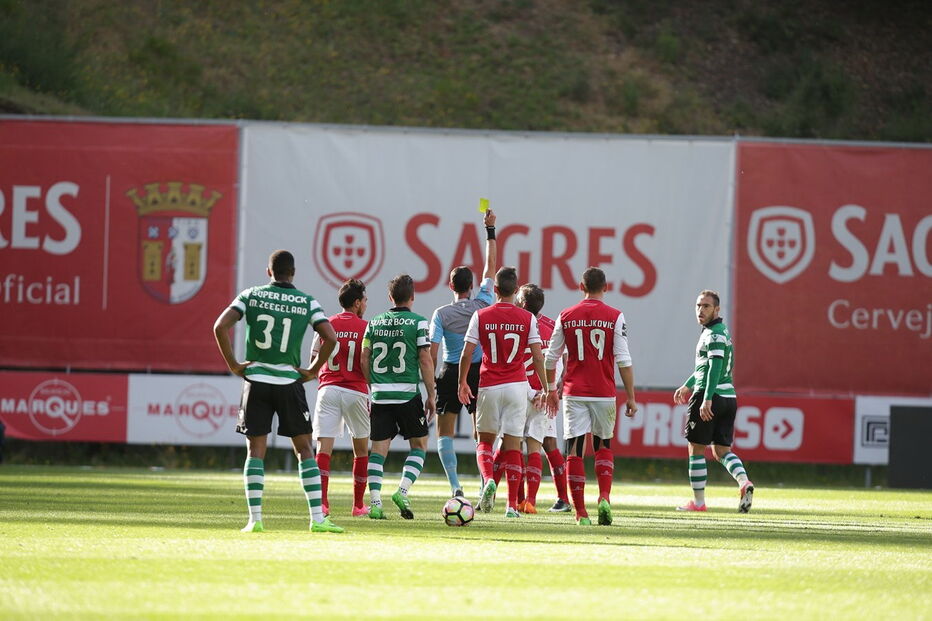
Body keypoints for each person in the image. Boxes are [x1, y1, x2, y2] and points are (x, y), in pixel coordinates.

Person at [213, 249, 344, 533]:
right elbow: (330, 338)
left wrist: (235, 365)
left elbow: (220, 326)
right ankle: (318, 520)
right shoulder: (306, 301)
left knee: (255, 451)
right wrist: (312, 369)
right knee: (304, 449)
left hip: (257, 380)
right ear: (293, 273)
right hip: (288, 382)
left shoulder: (250, 295)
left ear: (269, 271)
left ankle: (255, 520)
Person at [545, 267, 637, 526]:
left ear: (580, 287)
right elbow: (624, 360)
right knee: (603, 445)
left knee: (574, 450)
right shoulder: (615, 317)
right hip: (604, 393)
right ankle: (604, 497)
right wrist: (631, 396)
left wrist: (551, 389)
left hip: (574, 393)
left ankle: (580, 513)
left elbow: (551, 358)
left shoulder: (566, 316)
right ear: (605, 287)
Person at [459, 267, 549, 518]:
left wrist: (462, 382)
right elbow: (538, 356)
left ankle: (488, 480)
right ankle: (511, 506)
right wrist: (545, 387)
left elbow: (467, 353)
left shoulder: (481, 315)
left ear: (495, 289)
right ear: (516, 288)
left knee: (485, 442)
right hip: (517, 386)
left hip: (489, 384)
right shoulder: (527, 318)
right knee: (512, 447)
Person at [429, 208, 497, 497]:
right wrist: (490, 231)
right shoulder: (483, 302)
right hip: (477, 369)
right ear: (472, 286)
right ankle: (485, 481)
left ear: (450, 286)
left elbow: (432, 351)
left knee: (444, 433)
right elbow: (490, 268)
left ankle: (456, 487)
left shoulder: (441, 314)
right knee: (480, 431)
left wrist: (431, 383)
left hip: (450, 370)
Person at [361, 274, 437, 520]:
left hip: (381, 395)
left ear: (390, 297)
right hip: (407, 394)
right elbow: (425, 360)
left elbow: (364, 358)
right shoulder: (418, 323)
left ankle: (374, 504)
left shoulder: (373, 323)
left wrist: (373, 386)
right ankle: (402, 491)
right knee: (419, 445)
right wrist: (431, 394)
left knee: (378, 451)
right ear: (412, 297)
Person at [673, 290, 754, 513]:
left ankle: (698, 503)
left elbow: (715, 368)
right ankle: (744, 482)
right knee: (721, 451)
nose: (701, 310)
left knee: (696, 448)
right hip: (729, 398)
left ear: (717, 310)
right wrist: (688, 384)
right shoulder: (719, 332)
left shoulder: (714, 334)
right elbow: (705, 367)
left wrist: (706, 398)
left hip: (712, 396)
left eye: (706, 306)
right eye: (698, 305)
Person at [308, 279, 370, 518]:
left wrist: (322, 381)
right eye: (364, 300)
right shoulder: (366, 327)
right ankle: (357, 505)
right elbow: (367, 360)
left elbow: (313, 359)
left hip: (329, 389)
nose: (365, 304)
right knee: (361, 449)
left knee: (324, 449)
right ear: (356, 303)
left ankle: (322, 503)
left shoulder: (326, 324)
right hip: (356, 391)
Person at [515, 283, 571, 514]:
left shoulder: (518, 325)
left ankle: (525, 500)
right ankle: (562, 498)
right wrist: (554, 390)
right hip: (547, 395)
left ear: (523, 303)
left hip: (525, 393)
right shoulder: (552, 325)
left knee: (517, 445)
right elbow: (565, 361)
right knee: (549, 445)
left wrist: (538, 391)